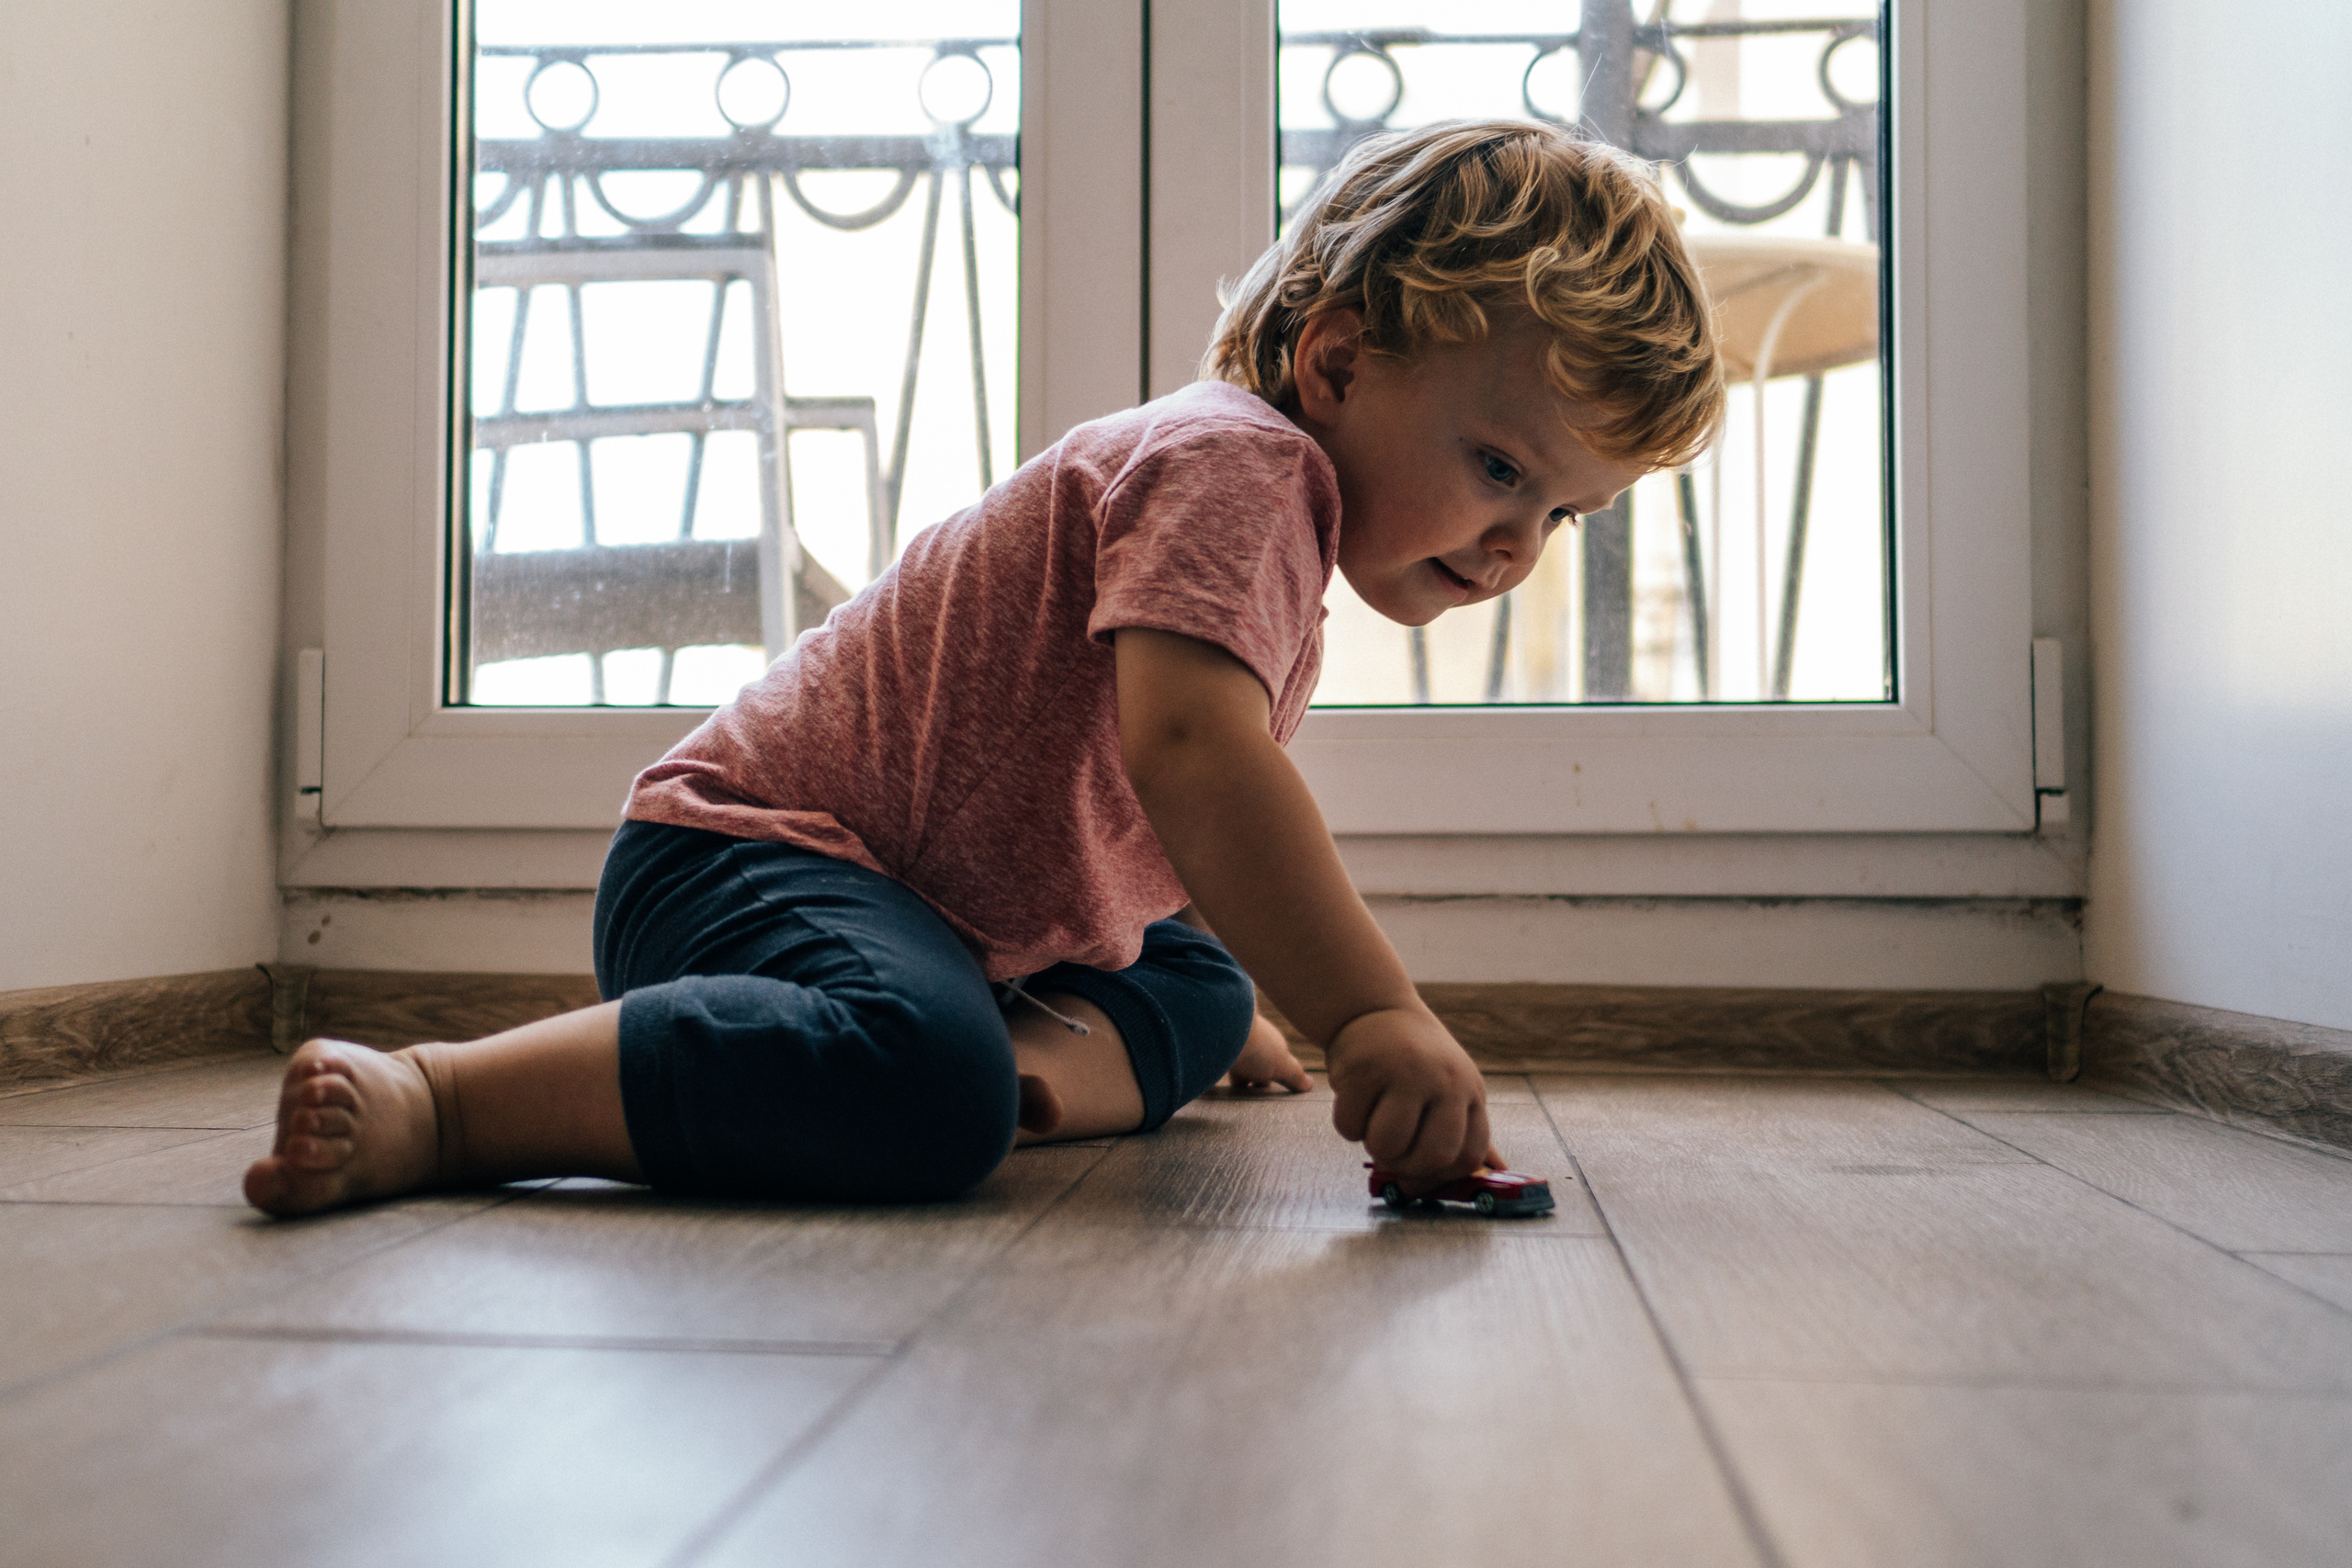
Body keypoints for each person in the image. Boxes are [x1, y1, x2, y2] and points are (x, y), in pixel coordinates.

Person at [244, 118, 1723, 1217]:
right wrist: (1372, 1013)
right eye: (1497, 467)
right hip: (749, 862)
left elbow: (1156, 829)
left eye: (1565, 512)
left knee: (1203, 986)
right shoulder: (1243, 469)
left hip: (943, 913)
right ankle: (450, 1099)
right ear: (1334, 363)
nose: (1522, 539)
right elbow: (1201, 767)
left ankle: (994, 1062)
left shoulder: (1271, 493)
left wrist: (1273, 999)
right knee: (929, 1085)